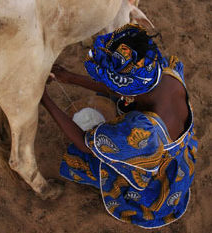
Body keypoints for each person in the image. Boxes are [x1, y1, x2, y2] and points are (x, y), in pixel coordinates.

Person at [41, 24, 198, 228]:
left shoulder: (142, 131)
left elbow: (83, 143)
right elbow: (122, 88)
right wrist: (69, 77)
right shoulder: (166, 72)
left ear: (130, 92)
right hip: (181, 157)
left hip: (157, 178)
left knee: (82, 156)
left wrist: (44, 100)